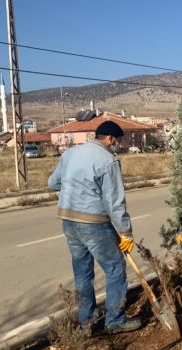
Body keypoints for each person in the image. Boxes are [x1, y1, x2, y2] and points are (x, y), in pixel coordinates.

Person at [48, 120, 141, 334]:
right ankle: (115, 320)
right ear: (110, 139)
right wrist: (126, 232)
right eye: (116, 141)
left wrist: (76, 186)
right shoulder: (108, 161)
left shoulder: (71, 154)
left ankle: (87, 323)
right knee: (115, 267)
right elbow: (114, 202)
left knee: (82, 273)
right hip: (94, 222)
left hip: (69, 220)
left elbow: (52, 183)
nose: (116, 145)